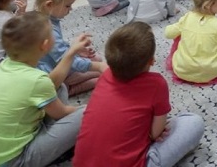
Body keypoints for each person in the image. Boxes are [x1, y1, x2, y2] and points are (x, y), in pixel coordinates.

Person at [73, 22, 205, 167]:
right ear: (152, 61)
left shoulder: (105, 76)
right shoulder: (157, 84)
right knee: (193, 122)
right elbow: (156, 135)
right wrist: (152, 132)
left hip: (81, 163)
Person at [0, 12, 88, 167]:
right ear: (45, 45)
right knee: (86, 114)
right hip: (16, 160)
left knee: (60, 88)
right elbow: (63, 112)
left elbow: (51, 84)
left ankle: (52, 139)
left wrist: (71, 52)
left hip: (5, 150)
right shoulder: (37, 79)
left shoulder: (3, 66)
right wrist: (89, 108)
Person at [35, 0, 108, 96]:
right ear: (49, 4)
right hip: (49, 74)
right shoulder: (48, 29)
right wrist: (97, 66)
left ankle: (67, 85)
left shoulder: (44, 17)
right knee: (99, 71)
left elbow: (57, 50)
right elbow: (64, 60)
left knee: (97, 64)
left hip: (52, 65)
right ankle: (66, 88)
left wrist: (76, 51)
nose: (71, 9)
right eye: (68, 5)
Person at [164, 0, 217, 84]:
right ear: (208, 5)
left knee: (180, 35)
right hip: (212, 71)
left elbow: (168, 33)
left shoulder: (186, 18)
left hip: (182, 69)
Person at [0, 0, 27, 65]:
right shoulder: (6, 19)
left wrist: (19, 13)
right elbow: (22, 31)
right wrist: (22, 14)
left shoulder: (1, 13)